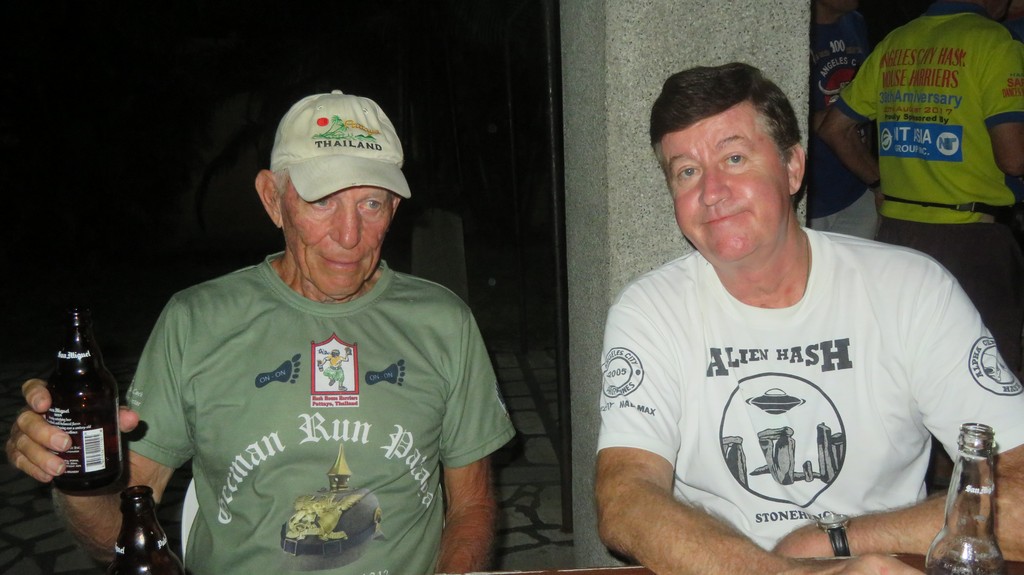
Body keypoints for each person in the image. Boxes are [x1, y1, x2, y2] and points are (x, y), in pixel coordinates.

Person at [6, 90, 516, 575]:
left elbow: (471, 506)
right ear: (273, 199)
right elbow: (116, 534)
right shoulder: (197, 322)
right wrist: (74, 471)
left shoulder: (443, 322)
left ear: (394, 210)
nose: (349, 235)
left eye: (371, 204)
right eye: (322, 201)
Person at [595, 62, 1024, 575]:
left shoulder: (910, 290)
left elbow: (1018, 491)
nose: (711, 192)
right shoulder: (651, 311)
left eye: (734, 158)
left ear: (793, 168)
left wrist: (834, 540)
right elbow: (624, 498)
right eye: (687, 171)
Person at [818, 0, 1024, 372]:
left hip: (897, 238)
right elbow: (1014, 158)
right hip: (971, 241)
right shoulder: (995, 42)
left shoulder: (897, 41)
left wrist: (877, 181)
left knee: (906, 371)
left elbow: (835, 128)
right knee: (987, 375)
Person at [807, 0, 878, 238]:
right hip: (811, 195)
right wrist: (840, 121)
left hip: (858, 187)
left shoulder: (856, 23)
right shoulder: (793, 28)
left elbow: (863, 99)